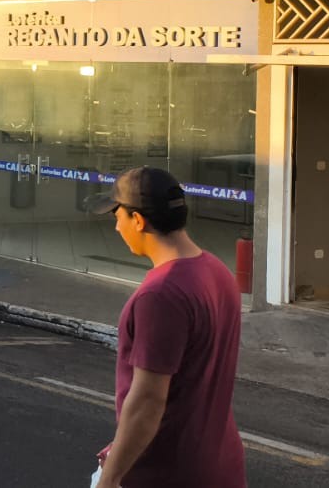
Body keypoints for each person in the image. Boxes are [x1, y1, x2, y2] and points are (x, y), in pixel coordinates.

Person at [88, 167, 245, 488]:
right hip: (220, 466)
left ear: (138, 220)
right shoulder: (218, 272)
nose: (116, 226)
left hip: (167, 472)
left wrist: (110, 477)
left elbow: (147, 402)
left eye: (117, 215)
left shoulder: (160, 295)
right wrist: (122, 446)